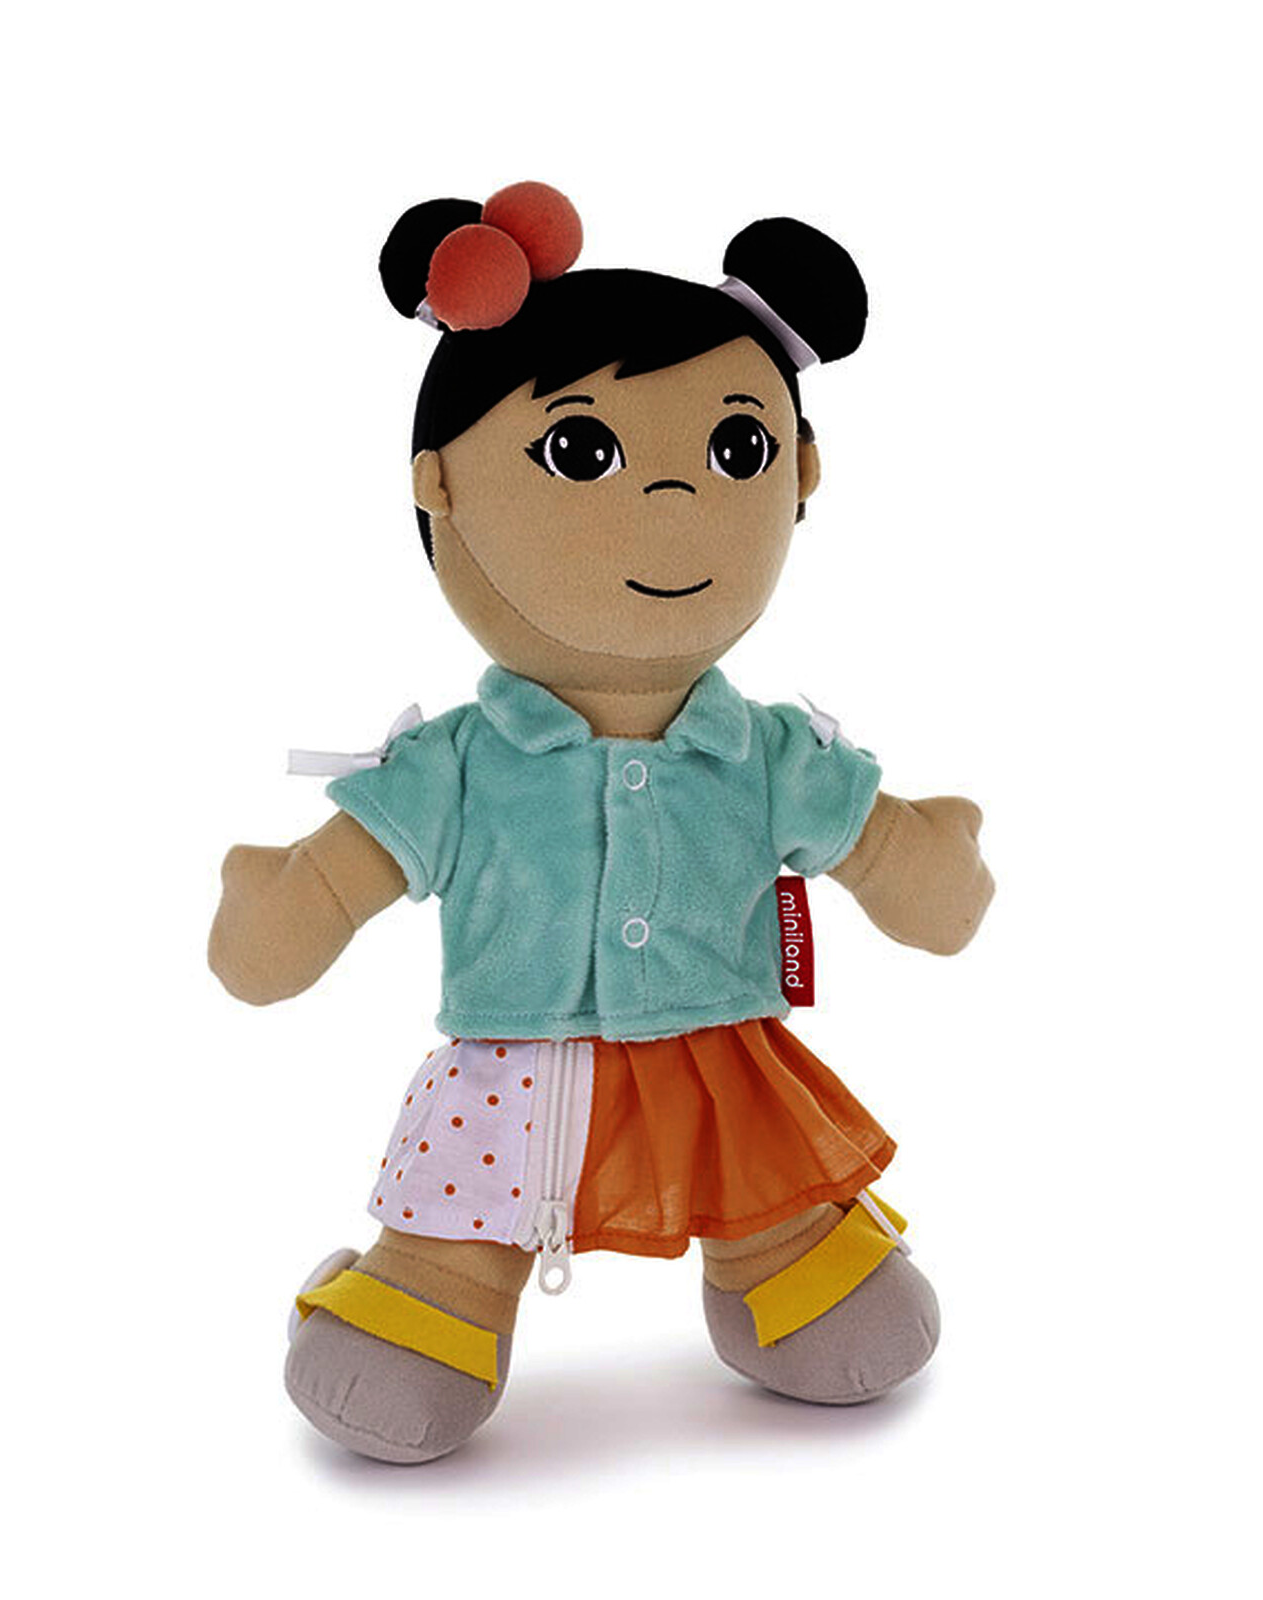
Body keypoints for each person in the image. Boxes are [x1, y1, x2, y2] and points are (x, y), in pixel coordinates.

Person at [209, 182, 994, 1463]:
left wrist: (929, 860)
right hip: (515, 1068)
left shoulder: (762, 751)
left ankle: (792, 1270)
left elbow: (907, 875)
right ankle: (427, 1299)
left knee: (773, 1184)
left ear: (797, 475)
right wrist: (283, 903)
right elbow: (327, 891)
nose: (676, 498)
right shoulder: (461, 763)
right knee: (466, 1215)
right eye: (581, 452)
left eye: (735, 451)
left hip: (722, 1052)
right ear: (440, 487)